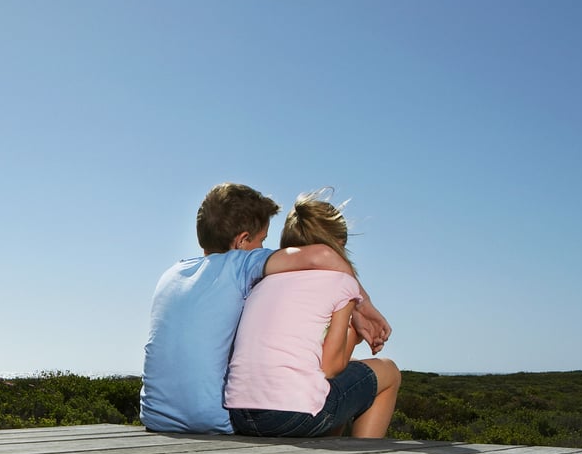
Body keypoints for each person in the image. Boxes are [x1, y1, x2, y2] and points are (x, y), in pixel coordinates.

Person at [140, 182, 392, 434]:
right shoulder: (241, 266)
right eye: (261, 240)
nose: (264, 248)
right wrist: (362, 304)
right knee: (349, 379)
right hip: (216, 419)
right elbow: (324, 256)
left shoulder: (171, 274)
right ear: (241, 241)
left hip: (155, 418)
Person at [224, 190, 401, 438]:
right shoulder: (341, 282)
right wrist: (355, 335)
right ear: (339, 244)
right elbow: (329, 368)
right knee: (388, 370)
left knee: (330, 390)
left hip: (240, 415)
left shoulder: (263, 280)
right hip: (291, 416)